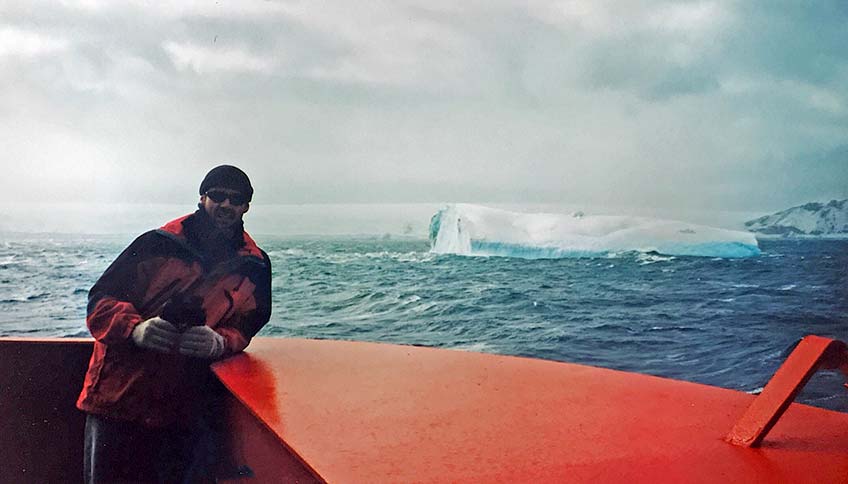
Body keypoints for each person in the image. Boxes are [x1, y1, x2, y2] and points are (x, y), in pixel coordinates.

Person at [76, 165, 272, 483]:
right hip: (119, 400)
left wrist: (220, 341)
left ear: (246, 207)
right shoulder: (156, 243)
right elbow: (100, 302)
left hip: (185, 412)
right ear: (202, 197)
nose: (225, 205)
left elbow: (250, 322)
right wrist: (136, 329)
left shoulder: (256, 265)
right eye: (217, 195)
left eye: (235, 199)